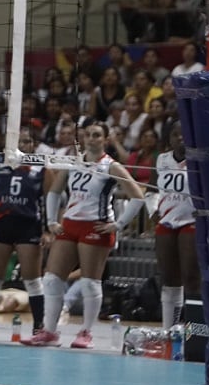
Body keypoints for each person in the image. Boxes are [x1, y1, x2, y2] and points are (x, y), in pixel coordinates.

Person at [24, 120, 145, 349]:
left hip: (95, 227)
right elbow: (54, 191)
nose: (92, 138)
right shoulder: (73, 163)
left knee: (90, 282)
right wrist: (51, 220)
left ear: (105, 140)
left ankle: (86, 332)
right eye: (88, 134)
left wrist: (118, 224)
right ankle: (49, 331)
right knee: (51, 279)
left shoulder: (111, 166)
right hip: (70, 224)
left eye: (97, 135)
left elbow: (138, 196)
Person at [0, 127, 50, 341]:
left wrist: (49, 229)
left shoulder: (41, 167)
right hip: (1, 224)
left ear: (33, 144)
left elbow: (52, 198)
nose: (22, 145)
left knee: (32, 280)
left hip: (29, 225)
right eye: (18, 141)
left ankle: (39, 328)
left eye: (26, 141)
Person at [152, 121, 199, 329]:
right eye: (175, 134)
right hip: (166, 221)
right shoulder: (161, 160)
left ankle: (195, 328)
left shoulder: (198, 160)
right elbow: (151, 190)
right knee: (169, 279)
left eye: (184, 134)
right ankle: (168, 329)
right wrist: (152, 210)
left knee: (190, 276)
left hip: (190, 220)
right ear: (169, 138)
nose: (180, 138)